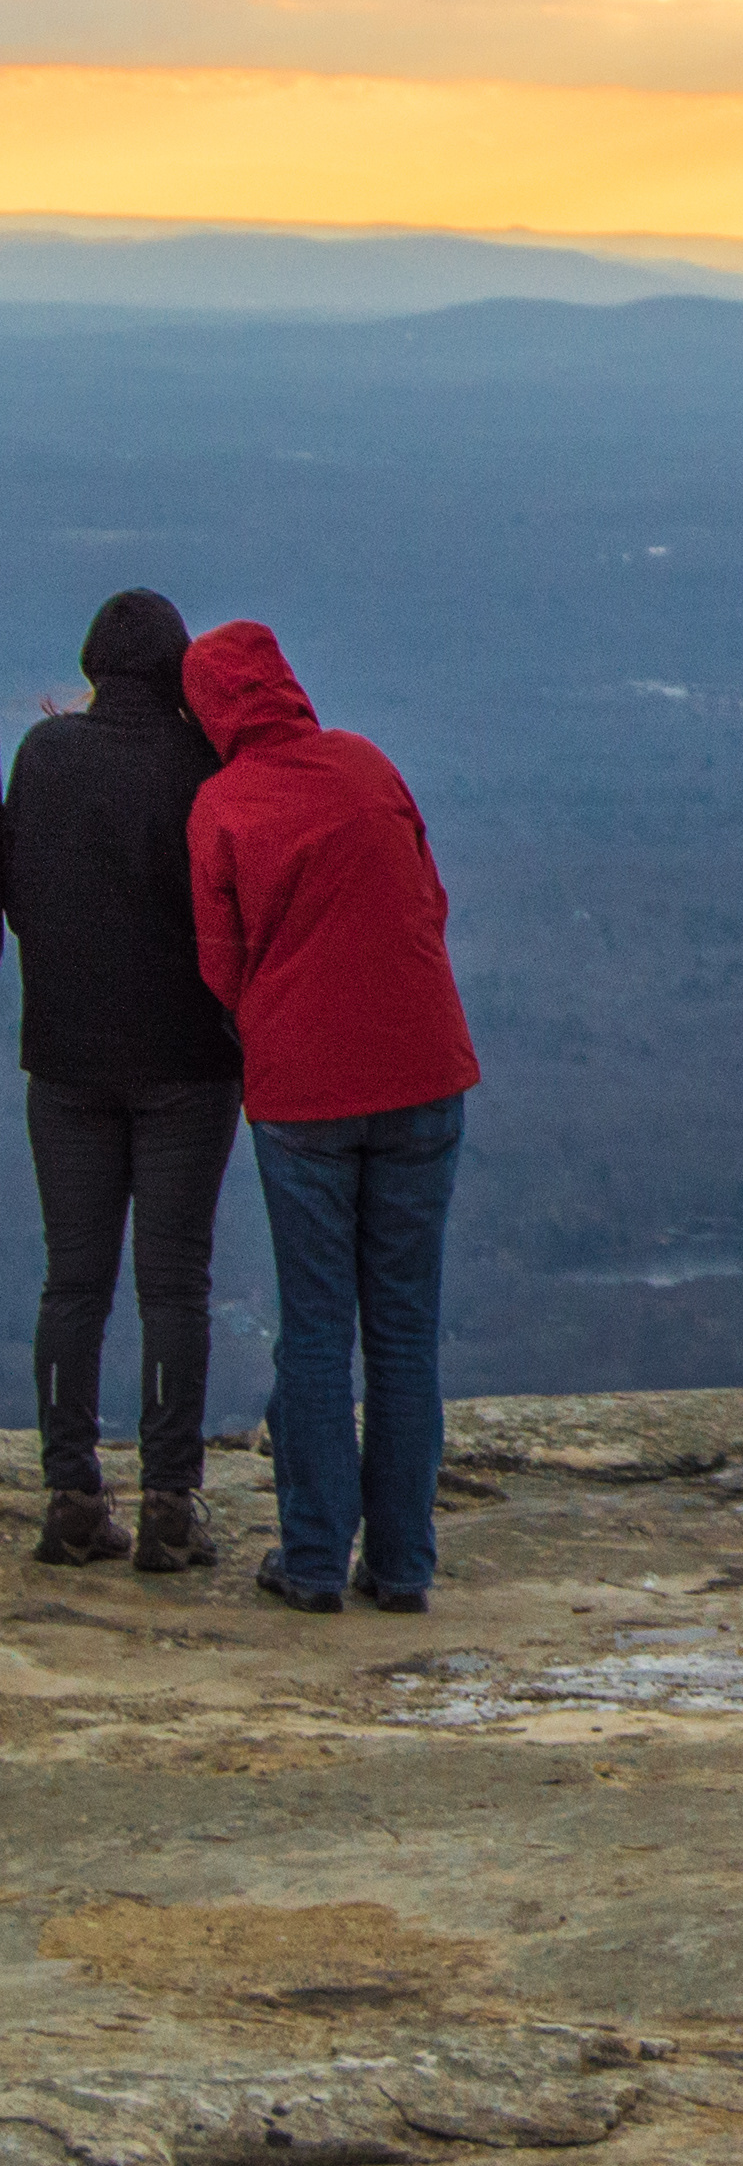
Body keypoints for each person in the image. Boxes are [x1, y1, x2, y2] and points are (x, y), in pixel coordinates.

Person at [185, 620, 480, 1615]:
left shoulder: (222, 804)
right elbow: (428, 901)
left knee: (314, 1332)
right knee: (405, 1331)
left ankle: (312, 1560)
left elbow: (218, 965)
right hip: (423, 1072)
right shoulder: (366, 764)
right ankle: (403, 1566)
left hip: (304, 1094)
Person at [3, 590, 238, 1572]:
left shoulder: (43, 756)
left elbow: (18, 897)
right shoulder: (203, 767)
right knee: (173, 1285)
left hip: (66, 1060)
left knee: (74, 1281)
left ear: (95, 665)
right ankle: (172, 1505)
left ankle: (70, 1493)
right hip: (186, 1062)